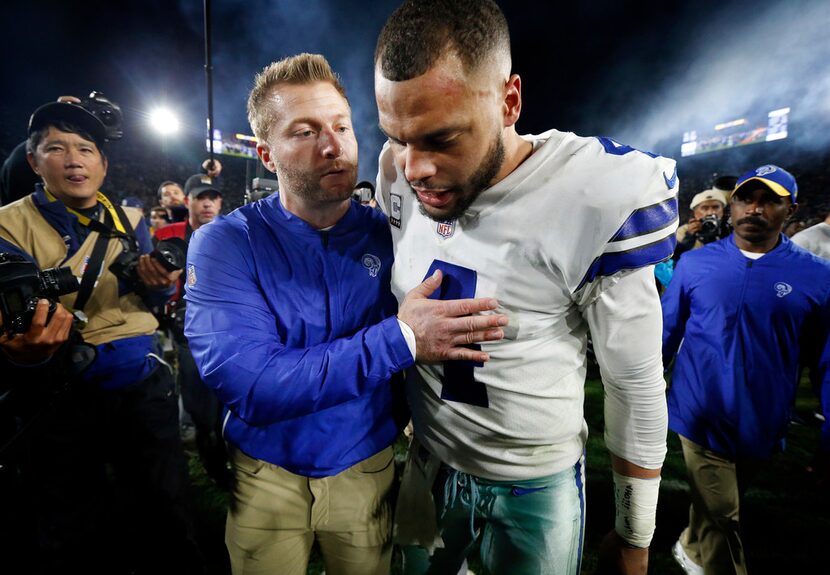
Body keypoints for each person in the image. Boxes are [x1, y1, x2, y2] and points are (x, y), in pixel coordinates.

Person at [373, 1, 678, 573]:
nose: (414, 166)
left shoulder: (590, 193)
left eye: (441, 139)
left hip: (534, 485)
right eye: (397, 136)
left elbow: (634, 382)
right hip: (428, 462)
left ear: (509, 101)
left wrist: (635, 533)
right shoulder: (396, 169)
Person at [184, 53, 508, 575]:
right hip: (267, 471)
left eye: (341, 126)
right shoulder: (224, 242)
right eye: (305, 132)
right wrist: (401, 339)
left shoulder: (391, 234)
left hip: (367, 465)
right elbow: (252, 384)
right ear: (267, 155)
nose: (334, 146)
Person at [0, 100, 202, 574]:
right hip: (61, 387)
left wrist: (159, 285)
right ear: (32, 161)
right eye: (57, 148)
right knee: (67, 514)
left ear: (103, 163)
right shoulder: (8, 223)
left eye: (86, 149)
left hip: (141, 381)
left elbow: (152, 303)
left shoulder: (130, 219)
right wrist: (25, 356)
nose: (74, 160)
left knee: (166, 504)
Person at [662, 164, 830, 575]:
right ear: (732, 204)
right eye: (746, 198)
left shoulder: (817, 275)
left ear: (790, 209)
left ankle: (690, 544)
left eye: (770, 200)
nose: (755, 209)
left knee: (720, 503)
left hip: (764, 418)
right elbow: (665, 332)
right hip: (699, 410)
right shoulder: (695, 265)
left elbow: (825, 359)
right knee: (724, 515)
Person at [155, 173, 229, 486]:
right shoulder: (168, 234)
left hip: (229, 329)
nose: (207, 203)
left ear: (221, 202)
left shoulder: (234, 232)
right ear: (188, 202)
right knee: (201, 408)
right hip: (188, 330)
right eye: (200, 197)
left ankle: (234, 461)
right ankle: (214, 467)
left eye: (212, 197)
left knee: (231, 403)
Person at [674, 187, 729, 260]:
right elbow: (675, 259)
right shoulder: (683, 231)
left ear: (723, 210)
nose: (711, 212)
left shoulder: (731, 229)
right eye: (705, 208)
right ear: (695, 213)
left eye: (716, 207)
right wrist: (689, 237)